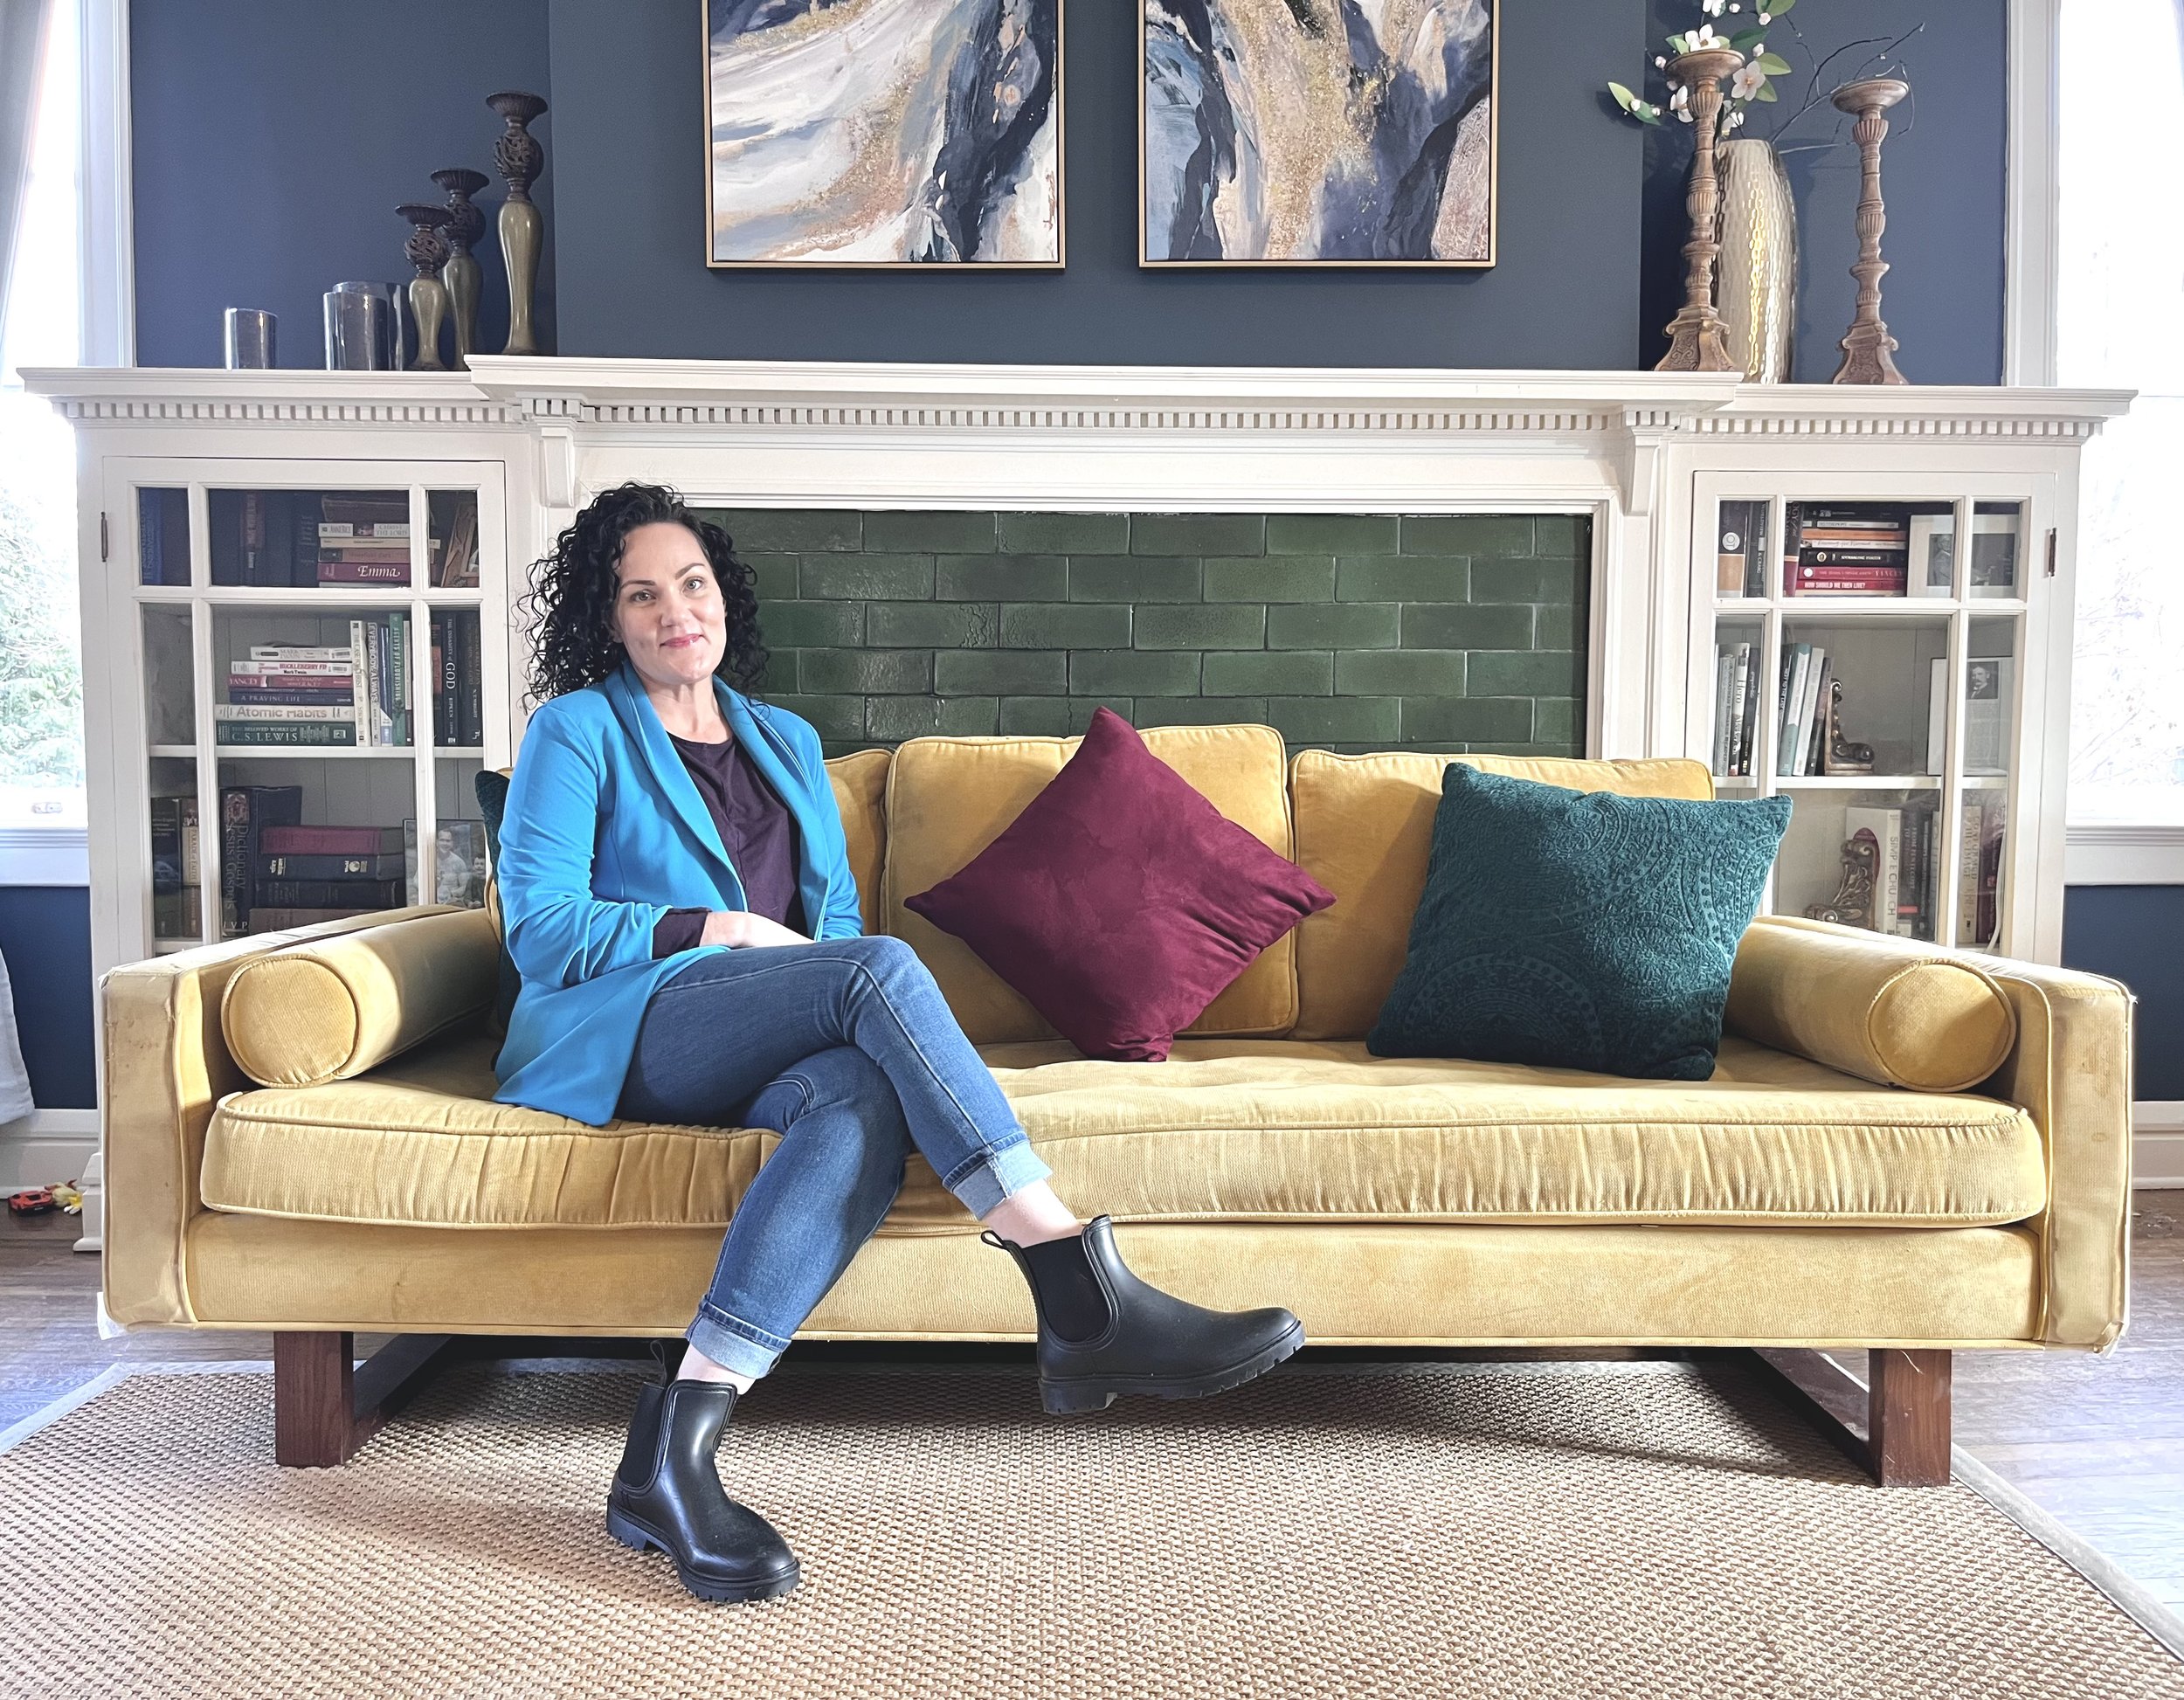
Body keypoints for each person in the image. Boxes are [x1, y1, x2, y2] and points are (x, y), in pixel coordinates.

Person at [494, 482, 1304, 1605]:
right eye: (642, 595)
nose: (677, 611)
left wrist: (795, 969)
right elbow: (540, 929)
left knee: (860, 1099)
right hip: (639, 1021)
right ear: (609, 617)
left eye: (692, 583)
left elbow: (822, 934)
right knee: (879, 965)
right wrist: (715, 927)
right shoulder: (577, 730)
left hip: (766, 1029)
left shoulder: (786, 741)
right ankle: (1073, 1281)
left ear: (721, 593)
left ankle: (669, 1460)